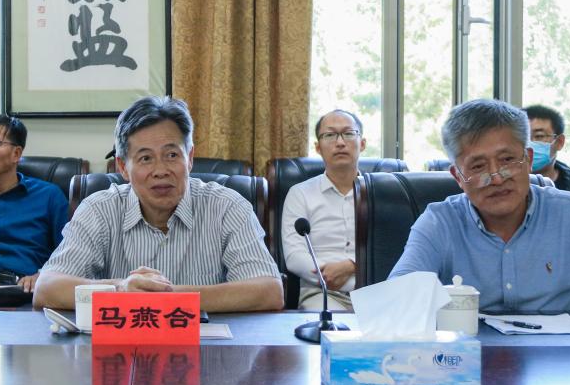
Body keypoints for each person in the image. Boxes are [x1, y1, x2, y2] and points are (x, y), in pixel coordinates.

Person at [389, 99, 570, 330]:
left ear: (529, 160)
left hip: (561, 362)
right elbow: (398, 297)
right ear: (458, 176)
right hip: (468, 359)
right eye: (478, 166)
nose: (497, 177)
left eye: (508, 160)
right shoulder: (439, 222)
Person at [33, 96, 283, 312]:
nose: (160, 170)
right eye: (145, 158)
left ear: (190, 158)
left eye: (172, 155)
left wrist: (168, 297)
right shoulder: (99, 209)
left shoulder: (227, 206)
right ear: (123, 167)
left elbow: (269, 291)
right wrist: (121, 290)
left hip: (206, 346)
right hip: (121, 347)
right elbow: (46, 289)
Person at [0, 114, 68, 295]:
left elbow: (68, 253)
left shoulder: (48, 196)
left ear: (16, 153)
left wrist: (43, 275)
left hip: (25, 291)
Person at [281, 109, 364, 310]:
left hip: (375, 291)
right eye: (330, 135)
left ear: (362, 144)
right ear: (318, 147)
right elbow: (294, 255)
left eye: (348, 133)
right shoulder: (300, 194)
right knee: (330, 325)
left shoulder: (381, 193)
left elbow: (392, 248)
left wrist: (352, 266)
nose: (340, 142)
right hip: (321, 292)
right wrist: (325, 275)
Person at [522, 105, 570, 211]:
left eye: (539, 136)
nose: (529, 144)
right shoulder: (504, 181)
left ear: (559, 142)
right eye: (523, 136)